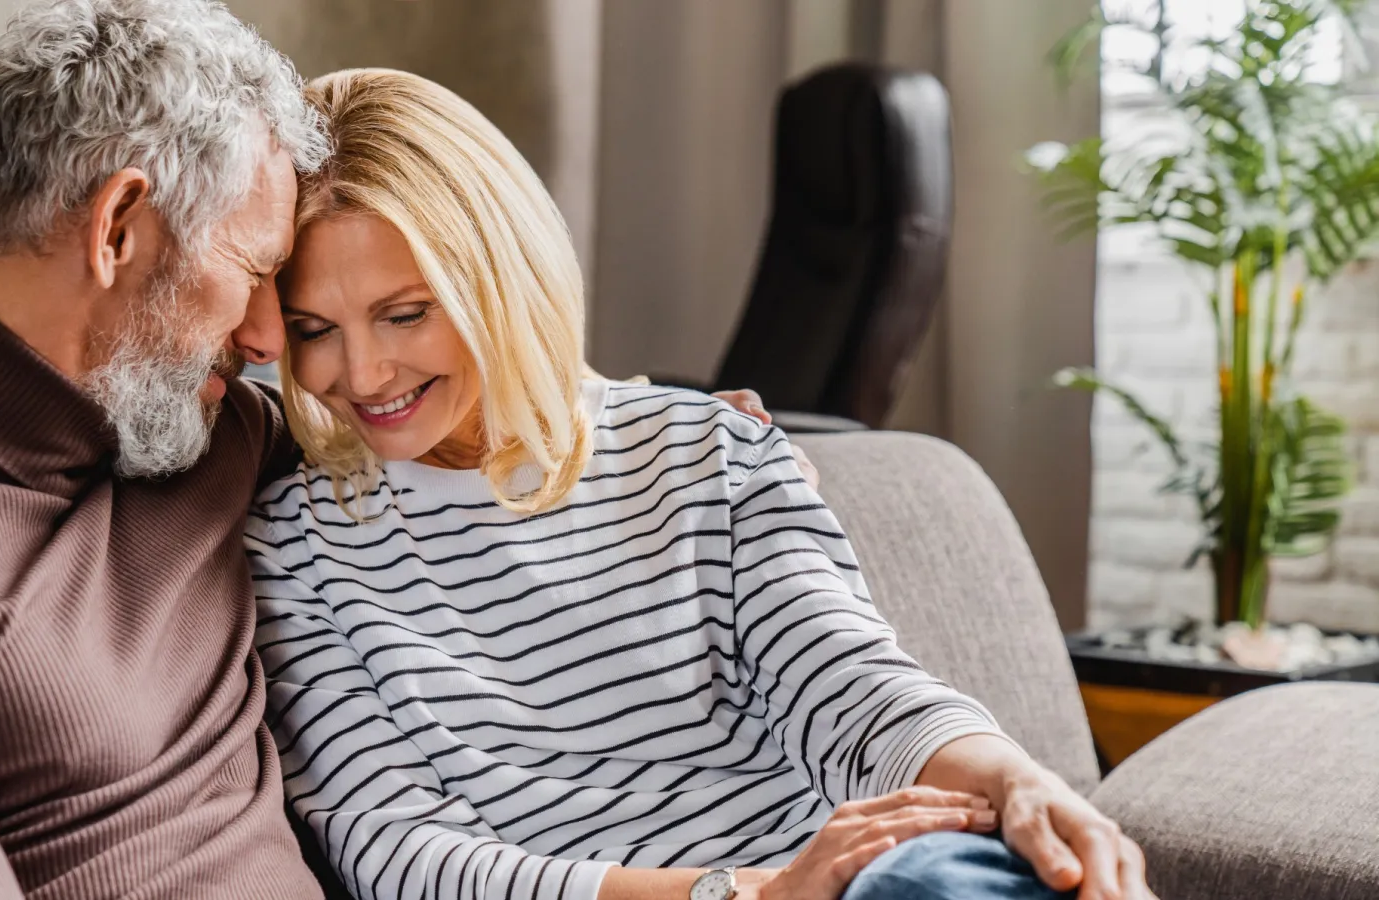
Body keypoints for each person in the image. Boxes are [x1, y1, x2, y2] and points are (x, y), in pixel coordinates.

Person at [0, 3, 776, 897]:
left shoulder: (219, 430)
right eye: (255, 270)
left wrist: (671, 426)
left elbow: (451, 410)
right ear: (119, 228)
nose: (268, 340)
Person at [250, 69, 1155, 900]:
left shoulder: (711, 453)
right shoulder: (294, 548)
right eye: (313, 328)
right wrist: (744, 895)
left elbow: (849, 684)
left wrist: (1013, 777)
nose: (362, 373)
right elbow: (396, 850)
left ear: (502, 275)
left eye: (404, 314)